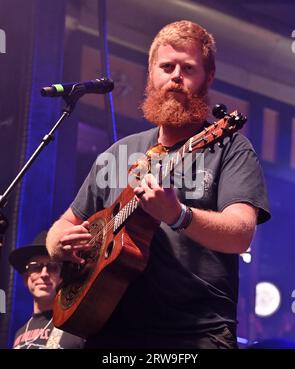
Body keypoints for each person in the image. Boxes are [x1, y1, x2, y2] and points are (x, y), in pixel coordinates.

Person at [46, 20, 271, 349]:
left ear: (208, 78)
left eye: (188, 68)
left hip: (194, 336)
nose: (176, 76)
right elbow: (64, 224)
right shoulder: (116, 153)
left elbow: (241, 233)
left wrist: (178, 214)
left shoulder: (228, 147)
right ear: (151, 72)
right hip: (108, 330)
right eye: (167, 66)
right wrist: (57, 244)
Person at [9, 231, 85, 349]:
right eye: (36, 267)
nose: (44, 274)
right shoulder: (18, 334)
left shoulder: (75, 327)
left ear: (62, 277)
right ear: (26, 278)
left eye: (52, 267)